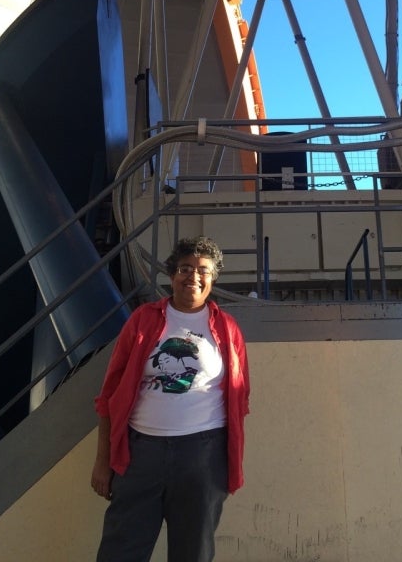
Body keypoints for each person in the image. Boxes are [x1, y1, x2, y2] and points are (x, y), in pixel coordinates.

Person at [91, 236, 251, 562]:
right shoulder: (143, 320)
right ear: (172, 275)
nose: (193, 276)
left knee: (192, 553)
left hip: (202, 456)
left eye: (203, 270)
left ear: (213, 278)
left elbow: (240, 396)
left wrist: (228, 462)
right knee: (120, 551)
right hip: (140, 454)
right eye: (185, 268)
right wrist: (103, 460)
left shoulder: (228, 329)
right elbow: (109, 396)